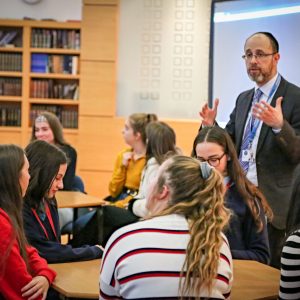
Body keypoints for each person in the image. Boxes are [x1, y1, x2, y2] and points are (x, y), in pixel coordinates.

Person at [199, 32, 300, 268]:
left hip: (274, 205)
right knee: (240, 267)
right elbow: (230, 143)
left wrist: (279, 126)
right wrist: (211, 127)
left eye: (260, 54)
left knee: (270, 274)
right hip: (241, 199)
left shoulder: (295, 97)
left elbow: (297, 153)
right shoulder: (244, 99)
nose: (253, 60)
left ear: (276, 58)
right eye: (248, 55)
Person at [100, 156, 233, 299]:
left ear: (163, 191)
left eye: (155, 176)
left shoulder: (123, 240)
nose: (149, 183)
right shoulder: (217, 242)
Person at [192, 126, 272, 263]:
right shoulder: (189, 193)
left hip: (234, 274)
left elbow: (261, 255)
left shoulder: (246, 197)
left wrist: (218, 254)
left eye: (214, 159)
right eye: (201, 160)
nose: (208, 167)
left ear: (228, 155)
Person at [22, 140, 102, 263]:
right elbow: (45, 252)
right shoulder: (20, 207)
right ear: (41, 174)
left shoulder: (49, 199)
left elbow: (55, 245)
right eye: (57, 178)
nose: (61, 185)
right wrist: (91, 251)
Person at [0, 144, 56, 300]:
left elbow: (28, 251)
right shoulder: (2, 224)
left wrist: (45, 275)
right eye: (27, 170)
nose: (30, 177)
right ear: (14, 177)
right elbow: (23, 290)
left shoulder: (7, 212)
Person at [31, 111, 85, 229]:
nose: (40, 134)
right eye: (37, 130)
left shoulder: (68, 152)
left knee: (40, 220)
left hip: (60, 205)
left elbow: (64, 187)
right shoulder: (31, 153)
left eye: (45, 129)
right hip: (35, 204)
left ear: (55, 130)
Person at [129, 121, 179, 217]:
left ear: (149, 142)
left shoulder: (158, 168)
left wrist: (132, 205)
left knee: (106, 213)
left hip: (150, 217)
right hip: (147, 213)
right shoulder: (172, 163)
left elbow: (152, 206)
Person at [107, 113, 157, 208]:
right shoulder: (123, 155)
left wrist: (115, 206)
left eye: (126, 128)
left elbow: (143, 195)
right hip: (119, 199)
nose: (122, 131)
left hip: (135, 204)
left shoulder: (151, 161)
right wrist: (122, 167)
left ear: (137, 135)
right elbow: (113, 191)